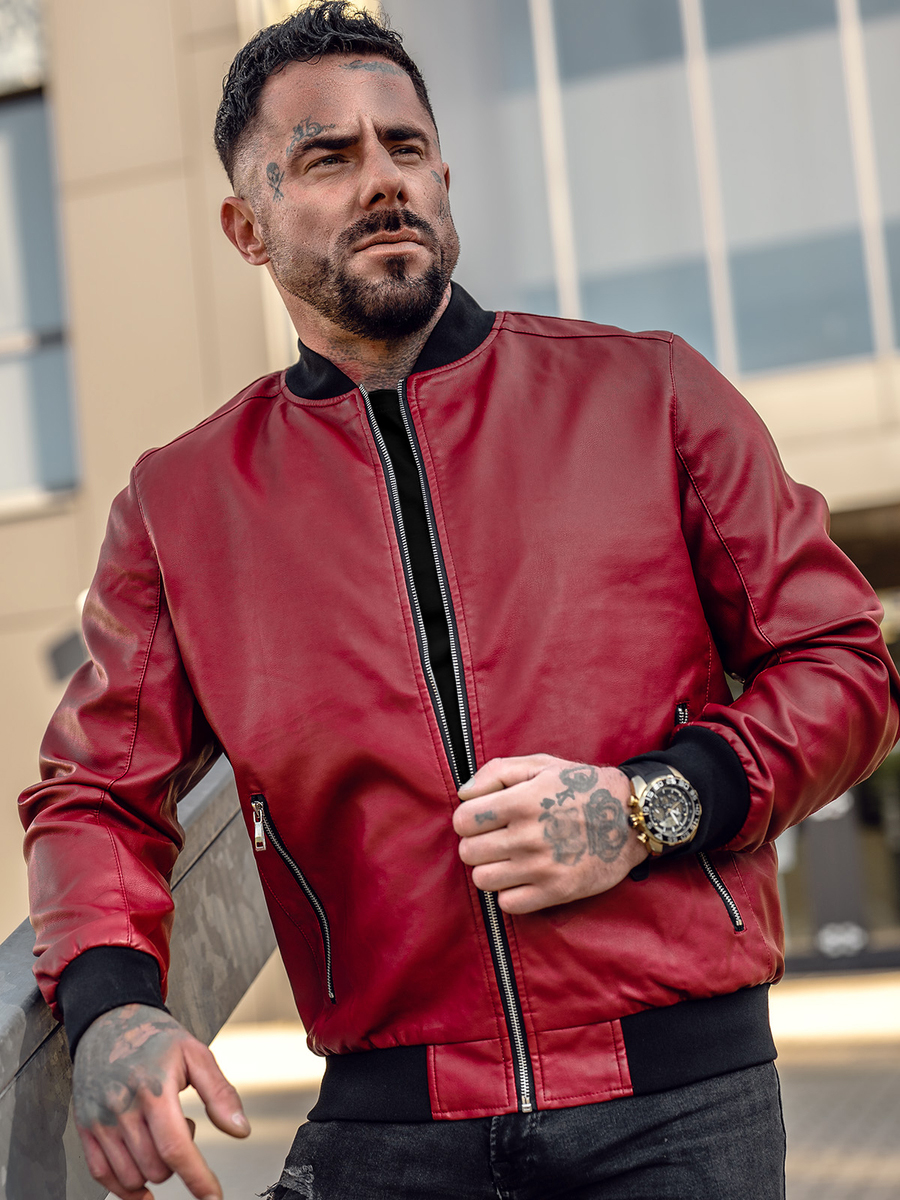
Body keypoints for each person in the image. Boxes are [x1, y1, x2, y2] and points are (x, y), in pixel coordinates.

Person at [19, 4, 900, 1199]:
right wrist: (113, 1005)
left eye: (407, 147)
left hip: (678, 1111)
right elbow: (93, 793)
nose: (384, 179)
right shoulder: (181, 504)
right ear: (246, 226)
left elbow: (844, 665)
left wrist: (649, 804)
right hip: (387, 1126)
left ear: (444, 179)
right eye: (328, 157)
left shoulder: (650, 394)